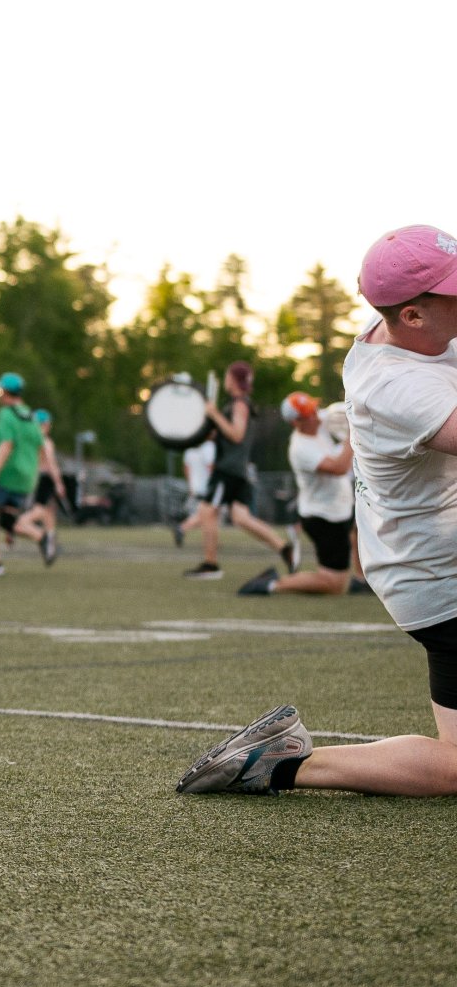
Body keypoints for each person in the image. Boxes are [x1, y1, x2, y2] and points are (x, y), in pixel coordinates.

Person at [177, 224, 457, 798]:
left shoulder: (410, 332)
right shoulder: (397, 385)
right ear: (411, 316)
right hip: (440, 578)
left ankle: (276, 764)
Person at [237, 393, 367, 597]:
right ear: (295, 422)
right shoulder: (300, 448)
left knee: (358, 531)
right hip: (323, 518)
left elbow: (340, 413)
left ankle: (361, 578)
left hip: (337, 509)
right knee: (334, 584)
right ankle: (273, 584)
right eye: (309, 414)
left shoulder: (317, 423)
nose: (316, 415)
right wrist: (354, 433)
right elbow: (339, 467)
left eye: (314, 409)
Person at [183, 360, 295, 581]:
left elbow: (236, 435)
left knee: (207, 511)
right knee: (241, 518)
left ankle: (210, 565)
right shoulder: (239, 404)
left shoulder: (239, 404)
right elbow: (227, 435)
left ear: (233, 379)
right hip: (237, 469)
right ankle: (285, 549)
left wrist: (214, 414)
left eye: (228, 376)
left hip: (228, 469)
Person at [0, 372, 59, 575]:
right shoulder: (31, 416)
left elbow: (6, 444)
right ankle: (41, 536)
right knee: (8, 521)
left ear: (5, 392)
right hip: (26, 479)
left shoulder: (7, 415)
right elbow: (41, 448)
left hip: (6, 475)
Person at [176, 435, 216, 548]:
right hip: (207, 487)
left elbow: (186, 468)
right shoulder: (209, 447)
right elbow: (211, 467)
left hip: (195, 487)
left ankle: (211, 539)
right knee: (208, 514)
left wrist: (190, 485)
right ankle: (182, 528)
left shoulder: (189, 449)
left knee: (208, 514)